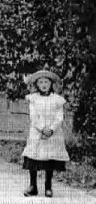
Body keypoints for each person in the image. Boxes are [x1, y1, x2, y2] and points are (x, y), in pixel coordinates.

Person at [21, 70, 69, 198]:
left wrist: (51, 130)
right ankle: (33, 186)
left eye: (46, 82)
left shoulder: (57, 100)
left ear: (51, 83)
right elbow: (34, 117)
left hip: (53, 133)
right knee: (33, 156)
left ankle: (48, 186)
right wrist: (42, 129)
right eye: (41, 82)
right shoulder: (33, 99)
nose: (43, 84)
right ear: (37, 84)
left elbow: (59, 117)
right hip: (37, 132)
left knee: (49, 158)